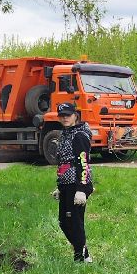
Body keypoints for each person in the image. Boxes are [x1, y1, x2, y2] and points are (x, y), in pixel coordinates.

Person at [53, 102, 95, 263]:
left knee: (75, 222)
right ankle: (83, 253)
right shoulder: (65, 134)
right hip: (66, 184)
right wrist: (59, 187)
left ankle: (81, 258)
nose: (64, 118)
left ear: (75, 116)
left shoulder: (79, 135)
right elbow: (63, 162)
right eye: (61, 115)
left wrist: (82, 189)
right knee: (64, 222)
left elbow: (83, 163)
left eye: (68, 115)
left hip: (77, 184)